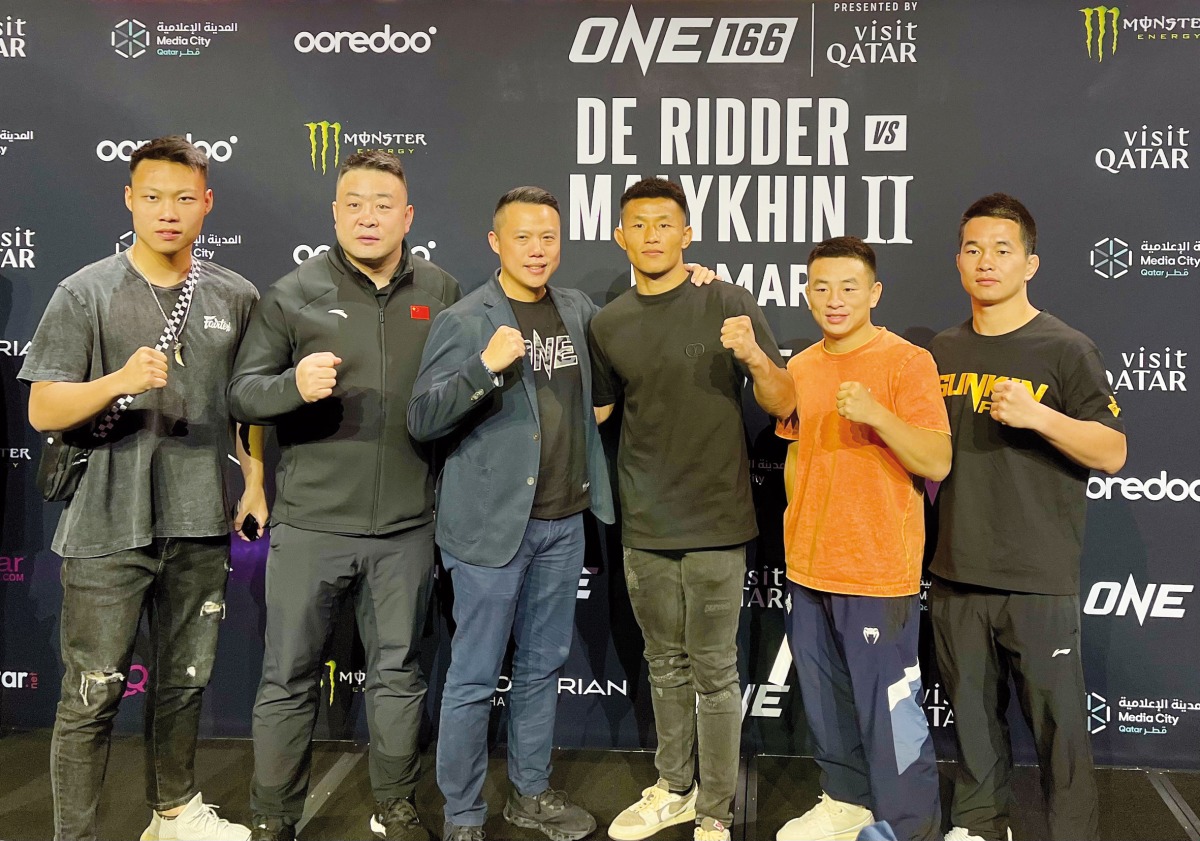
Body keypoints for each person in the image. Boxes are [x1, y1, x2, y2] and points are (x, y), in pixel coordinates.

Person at [20, 135, 264, 841]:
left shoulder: (236, 295)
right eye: (153, 196)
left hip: (199, 523)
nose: (168, 211)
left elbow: (247, 404)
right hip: (107, 526)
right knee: (91, 695)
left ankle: (173, 814)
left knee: (184, 681)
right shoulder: (85, 291)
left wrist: (254, 482)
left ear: (207, 203)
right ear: (129, 199)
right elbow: (43, 409)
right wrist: (118, 381)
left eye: (184, 198)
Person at [228, 151, 461, 841]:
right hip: (310, 525)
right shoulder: (292, 292)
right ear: (334, 213)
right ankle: (273, 815)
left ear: (407, 216)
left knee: (399, 675)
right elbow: (241, 394)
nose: (368, 216)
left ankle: (395, 804)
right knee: (288, 676)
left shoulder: (442, 290)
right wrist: (291, 386)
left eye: (383, 204)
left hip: (408, 526)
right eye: (354, 203)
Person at [588, 177, 795, 841]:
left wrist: (754, 354)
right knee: (665, 664)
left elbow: (784, 400)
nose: (652, 236)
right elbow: (599, 413)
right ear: (620, 235)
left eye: (664, 223)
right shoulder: (607, 323)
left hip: (716, 521)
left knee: (715, 671)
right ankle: (674, 787)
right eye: (639, 224)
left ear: (688, 233)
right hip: (644, 522)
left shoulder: (727, 300)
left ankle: (716, 810)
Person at [407, 185, 613, 841]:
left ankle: (530, 793)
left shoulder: (578, 309)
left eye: (548, 236)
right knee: (472, 676)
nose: (537, 249)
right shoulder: (466, 319)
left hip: (564, 520)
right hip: (489, 528)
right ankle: (464, 813)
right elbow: (423, 417)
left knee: (542, 666)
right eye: (522, 237)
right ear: (496, 242)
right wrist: (484, 368)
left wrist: (693, 283)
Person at [930, 194, 1127, 841]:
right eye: (973, 249)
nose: (986, 261)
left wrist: (1039, 416)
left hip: (1037, 578)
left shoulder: (1065, 348)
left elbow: (1113, 452)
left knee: (1059, 734)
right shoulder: (942, 350)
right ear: (959, 260)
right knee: (972, 726)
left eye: (1002, 249)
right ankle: (979, 826)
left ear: (1030, 263)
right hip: (956, 569)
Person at [773, 237, 949, 841]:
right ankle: (845, 801)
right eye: (821, 287)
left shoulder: (906, 362)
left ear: (874, 293)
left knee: (890, 708)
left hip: (876, 567)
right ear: (806, 294)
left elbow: (937, 459)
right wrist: (800, 523)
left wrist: (877, 414)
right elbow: (795, 456)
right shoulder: (800, 367)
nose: (834, 299)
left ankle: (909, 826)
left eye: (849, 287)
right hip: (808, 564)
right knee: (826, 703)